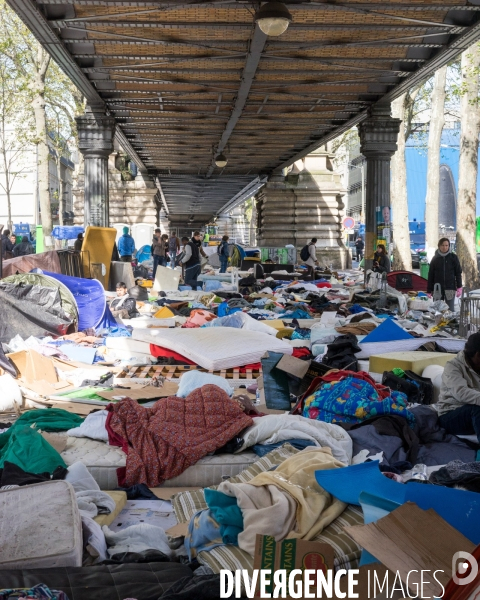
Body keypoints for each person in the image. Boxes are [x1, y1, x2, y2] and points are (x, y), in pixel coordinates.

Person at [437, 332, 480, 443]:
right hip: (450, 416)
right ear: (478, 355)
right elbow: (461, 393)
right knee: (477, 409)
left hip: (473, 415)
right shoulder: (453, 366)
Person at [427, 237, 462, 311]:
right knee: (437, 310)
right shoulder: (435, 259)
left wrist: (459, 287)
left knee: (450, 310)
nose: (444, 247)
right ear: (439, 246)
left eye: (446, 245)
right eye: (442, 245)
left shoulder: (453, 257)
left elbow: (458, 273)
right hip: (437, 288)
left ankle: (450, 322)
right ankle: (438, 322)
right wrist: (429, 290)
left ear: (449, 246)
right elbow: (431, 275)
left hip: (450, 288)